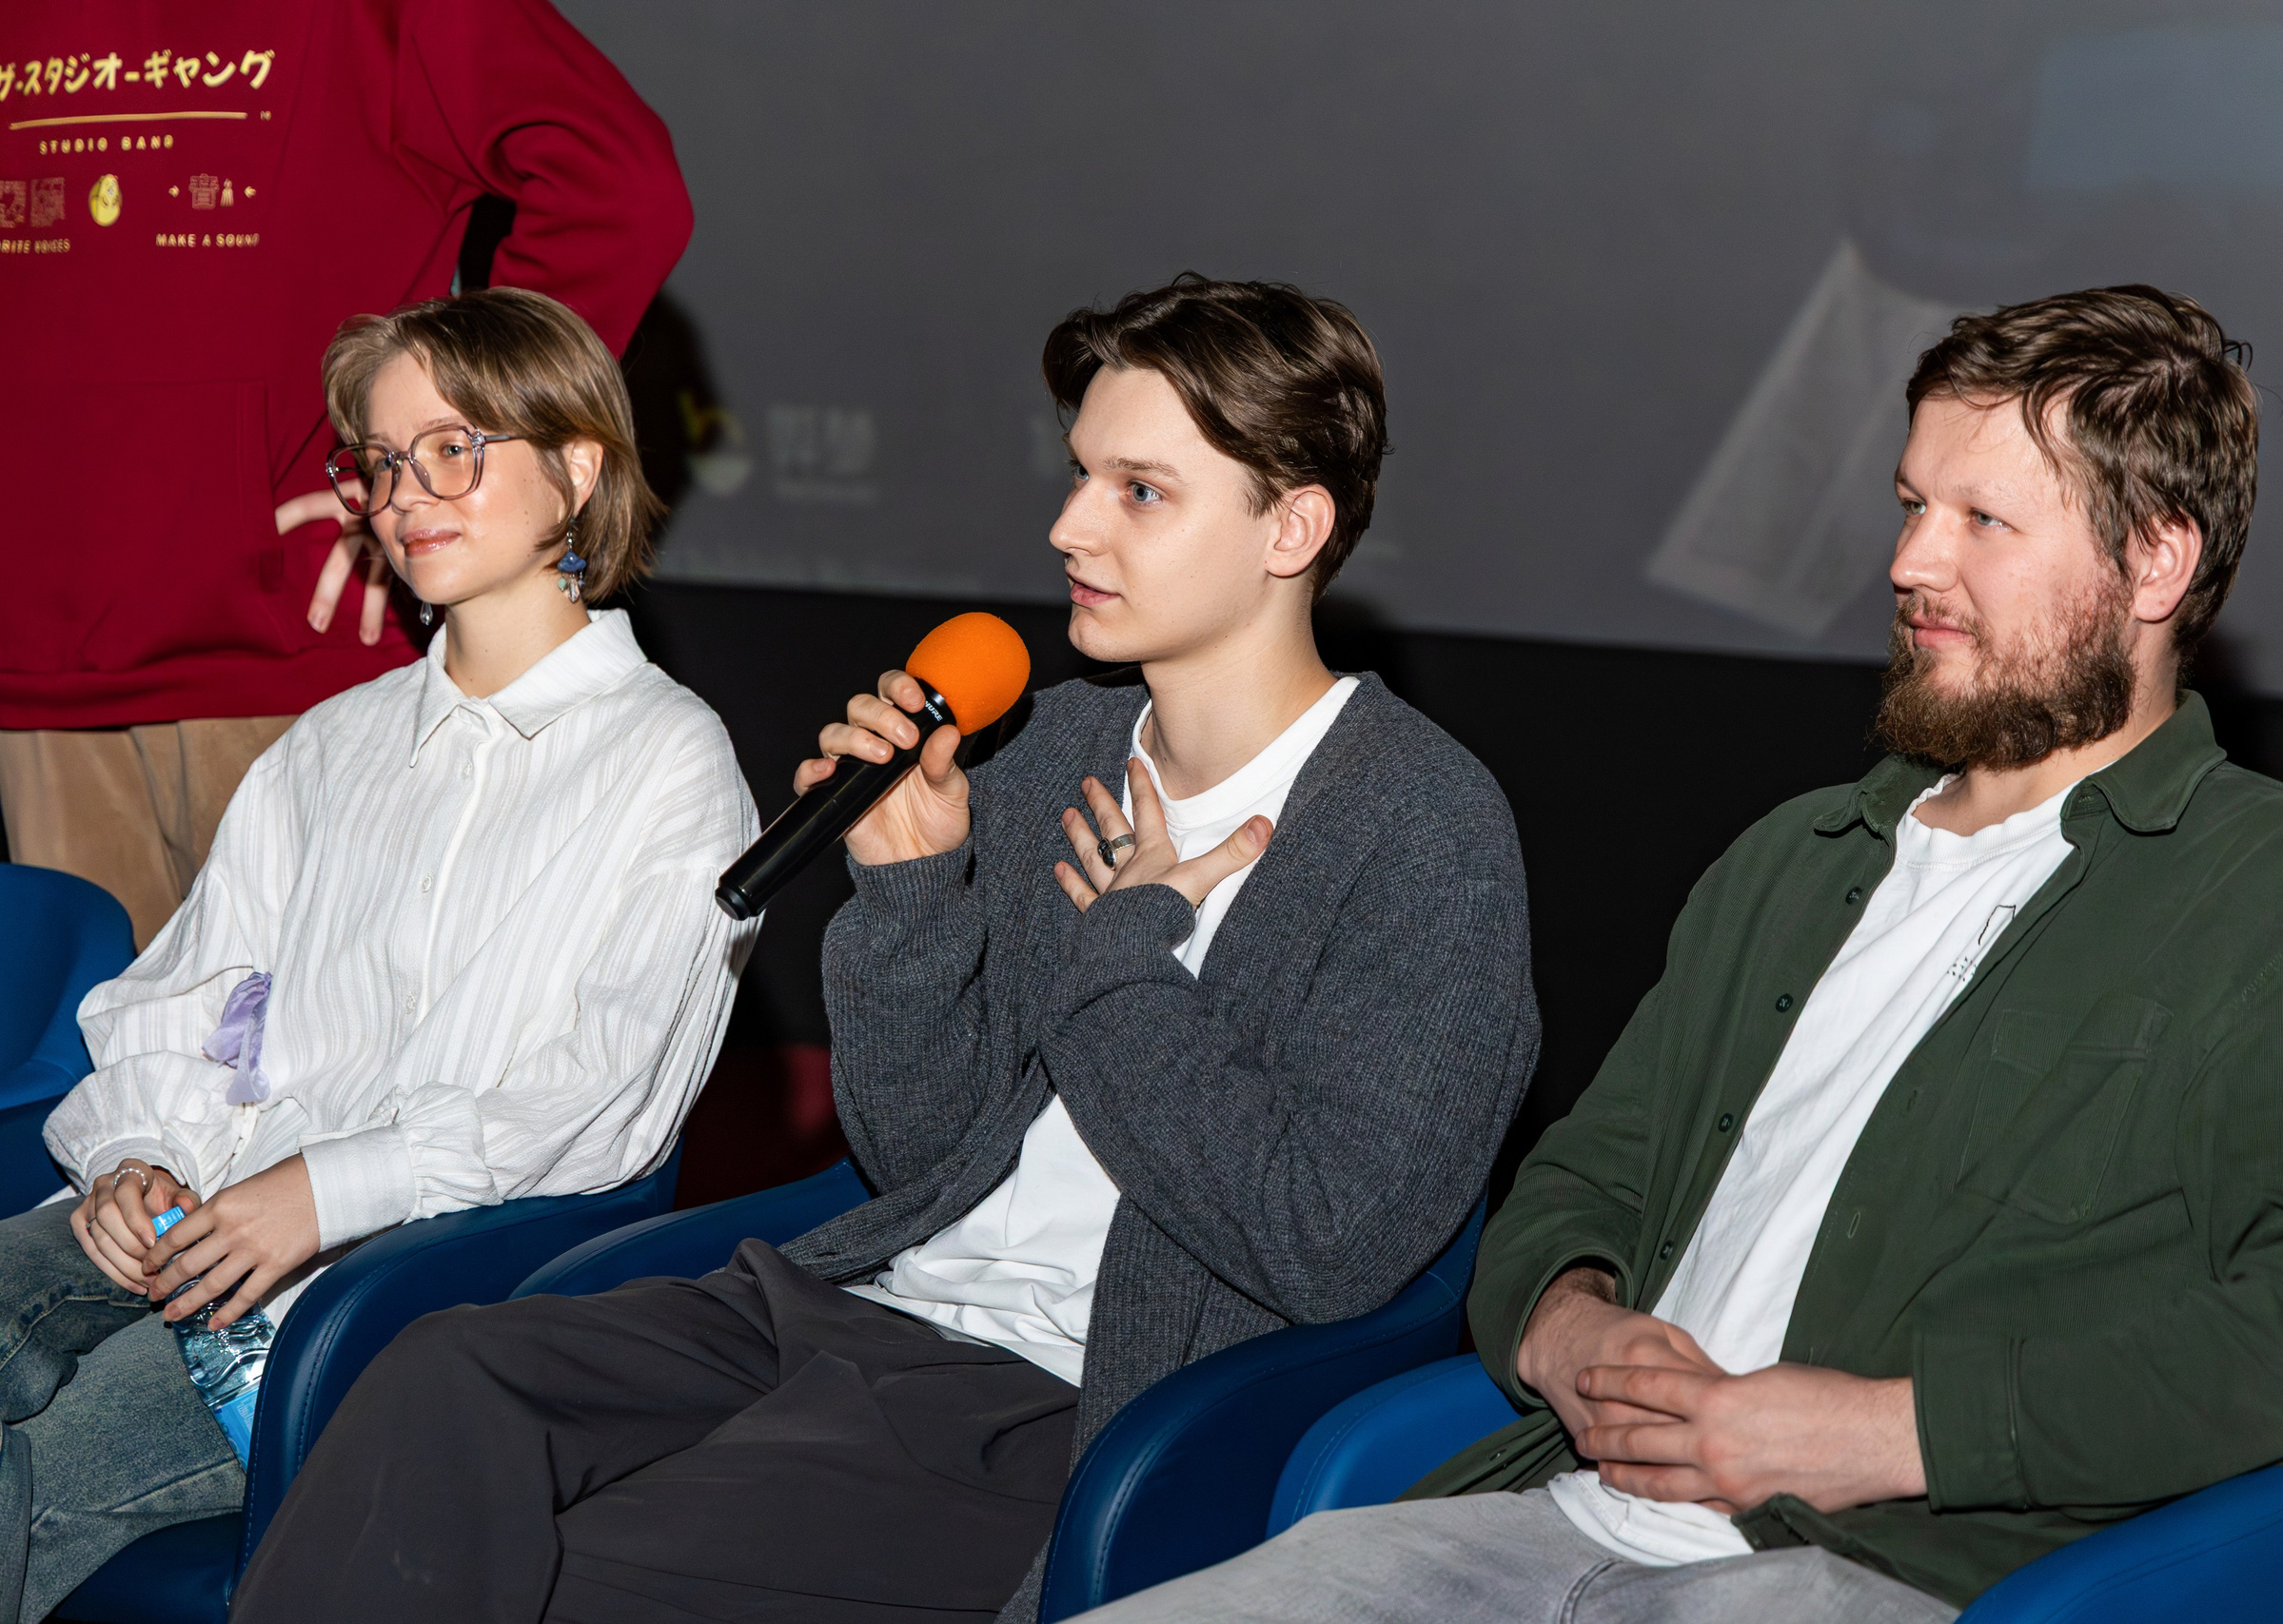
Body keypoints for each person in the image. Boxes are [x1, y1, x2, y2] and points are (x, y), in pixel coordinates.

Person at [1064, 286, 2283, 1624]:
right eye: (1909, 504)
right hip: (1544, 1517)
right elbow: (1576, 1183)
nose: (1911, 562)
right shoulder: (1799, 858)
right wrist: (1571, 1327)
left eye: (1982, 520)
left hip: (1884, 1572)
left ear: (2154, 563)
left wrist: (1882, 1433)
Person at [228, 274, 1542, 1624]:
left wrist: (1123, 963)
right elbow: (921, 1151)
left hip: (1064, 1396)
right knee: (441, 1378)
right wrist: (913, 892)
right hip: (864, 1302)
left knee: (579, 1562)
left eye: (1140, 491)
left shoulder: (1418, 827)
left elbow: (1326, 1244)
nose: (1071, 525)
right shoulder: (1054, 749)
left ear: (1292, 526)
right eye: (1080, 474)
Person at [0, 287, 758, 1623]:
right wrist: (134, 1156)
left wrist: (330, 1188)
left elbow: (606, 1102)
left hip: (395, 1298)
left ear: (578, 468)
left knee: (39, 1467)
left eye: (454, 449)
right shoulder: (334, 742)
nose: (406, 494)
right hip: (191, 1217)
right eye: (383, 460)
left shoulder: (667, 761)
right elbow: (184, 1002)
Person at [0, 0, 690, 949]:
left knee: (330, 1038)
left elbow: (620, 187)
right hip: (36, 673)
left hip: (286, 661)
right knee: (84, 1045)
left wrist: (433, 457)